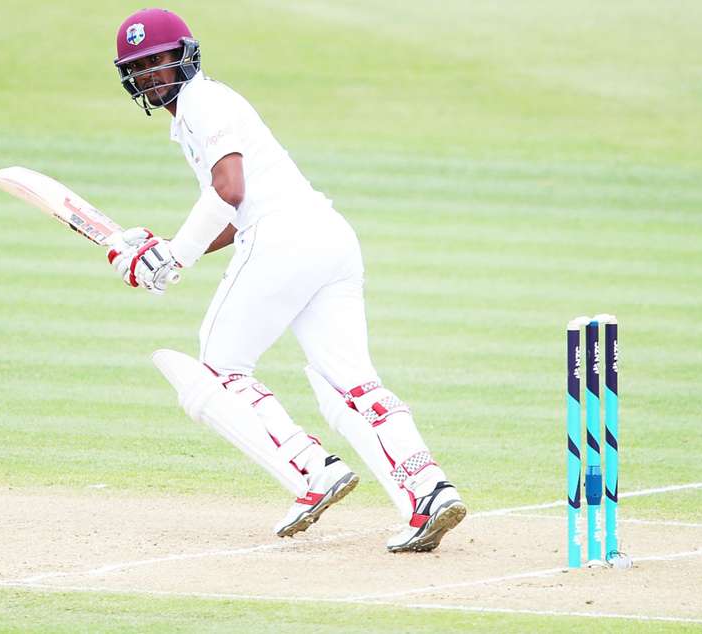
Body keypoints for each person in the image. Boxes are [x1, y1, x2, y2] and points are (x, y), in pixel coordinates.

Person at [107, 8, 466, 552]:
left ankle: (312, 469)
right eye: (138, 67)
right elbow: (236, 208)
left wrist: (173, 257)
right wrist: (168, 250)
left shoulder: (203, 102)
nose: (150, 74)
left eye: (158, 61)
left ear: (185, 56)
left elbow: (228, 192)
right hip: (327, 237)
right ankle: (429, 491)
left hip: (281, 238)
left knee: (220, 368)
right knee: (353, 382)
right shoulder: (203, 109)